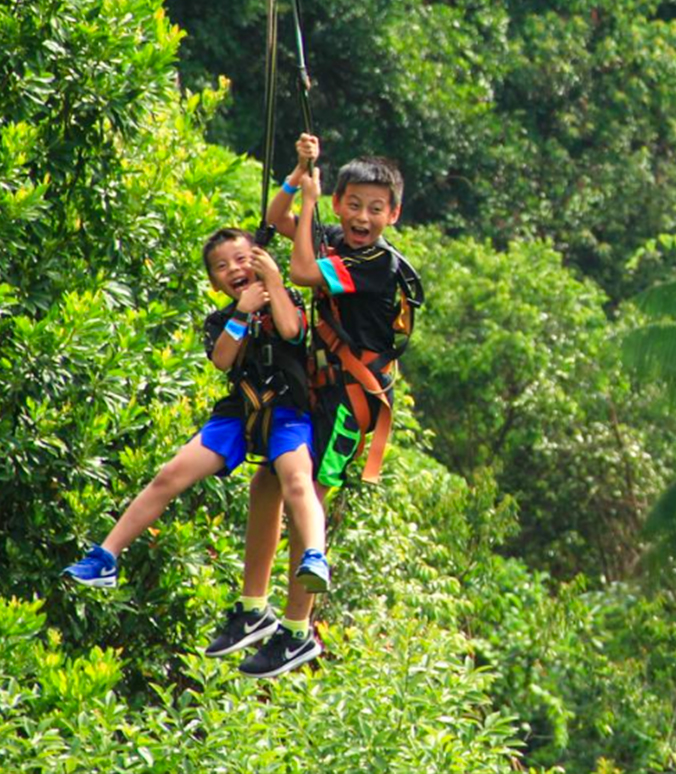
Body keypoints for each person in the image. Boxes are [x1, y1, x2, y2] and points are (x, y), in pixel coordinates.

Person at [205, 134, 421, 679]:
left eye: (376, 208)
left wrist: (310, 210)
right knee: (266, 484)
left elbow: (300, 271)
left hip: (350, 400)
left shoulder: (374, 264)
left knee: (311, 500)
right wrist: (300, 176)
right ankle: (254, 608)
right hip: (316, 389)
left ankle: (297, 631)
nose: (362, 217)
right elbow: (275, 217)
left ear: (392, 214)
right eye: (353, 204)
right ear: (340, 203)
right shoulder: (333, 238)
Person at [63, 230, 330, 622]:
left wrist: (271, 280)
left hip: (289, 413)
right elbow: (223, 359)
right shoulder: (221, 320)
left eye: (241, 260)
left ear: (257, 260)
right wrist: (242, 312)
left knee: (295, 481)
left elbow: (291, 331)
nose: (233, 270)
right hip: (239, 413)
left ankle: (314, 555)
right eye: (222, 267)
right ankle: (106, 557)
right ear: (213, 282)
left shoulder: (284, 299)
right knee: (169, 475)